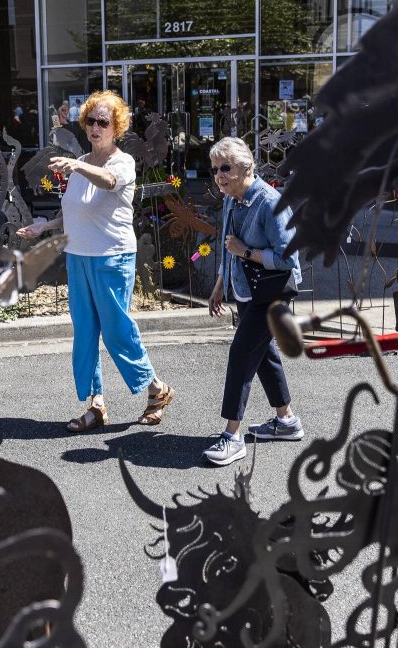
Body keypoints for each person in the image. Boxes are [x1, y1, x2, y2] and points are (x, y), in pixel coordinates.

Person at [17, 91, 174, 432]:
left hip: (111, 256)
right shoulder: (83, 162)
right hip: (79, 256)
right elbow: (73, 210)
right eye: (91, 120)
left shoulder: (121, 162)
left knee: (118, 333)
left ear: (116, 127)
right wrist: (46, 225)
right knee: (85, 332)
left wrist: (77, 165)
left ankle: (157, 390)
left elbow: (109, 182)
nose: (95, 127)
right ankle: (97, 405)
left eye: (103, 122)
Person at [205, 136, 304, 466]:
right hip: (248, 289)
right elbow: (226, 244)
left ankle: (232, 436)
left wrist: (247, 253)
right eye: (215, 168)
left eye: (225, 168)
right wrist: (221, 282)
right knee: (263, 356)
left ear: (246, 169)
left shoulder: (270, 202)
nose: (219, 175)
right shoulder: (233, 199)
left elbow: (289, 260)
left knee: (241, 354)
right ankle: (287, 420)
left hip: (272, 293)